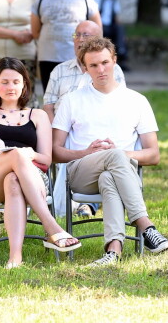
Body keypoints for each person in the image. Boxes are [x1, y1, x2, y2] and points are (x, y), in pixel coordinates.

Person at [52, 37, 168, 266]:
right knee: (116, 156)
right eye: (94, 65)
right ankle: (146, 227)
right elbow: (55, 152)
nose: (101, 69)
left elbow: (153, 155)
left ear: (115, 61)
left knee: (111, 173)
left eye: (105, 62)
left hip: (118, 174)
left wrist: (120, 155)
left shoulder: (137, 101)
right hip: (81, 173)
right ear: (85, 69)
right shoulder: (71, 101)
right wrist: (87, 152)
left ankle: (113, 251)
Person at [0, 57, 81, 268]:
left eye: (16, 82)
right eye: (5, 82)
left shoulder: (38, 116)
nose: (10, 87)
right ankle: (52, 227)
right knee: (15, 157)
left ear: (25, 85)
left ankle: (15, 258)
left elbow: (46, 159)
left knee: (14, 180)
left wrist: (29, 154)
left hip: (33, 178)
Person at [42, 20, 126, 218]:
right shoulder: (59, 71)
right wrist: (57, 133)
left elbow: (117, 105)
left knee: (100, 150)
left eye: (86, 35)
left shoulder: (113, 71)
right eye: (77, 35)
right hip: (61, 133)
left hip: (95, 132)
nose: (80, 39)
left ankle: (87, 205)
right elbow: (48, 106)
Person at [31, 0, 101, 92]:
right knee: (51, 97)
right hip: (48, 58)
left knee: (75, 96)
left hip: (76, 58)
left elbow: (97, 30)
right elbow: (35, 32)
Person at [93, 0, 129, 71]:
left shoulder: (115, 0)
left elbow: (117, 17)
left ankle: (121, 50)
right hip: (100, 24)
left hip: (110, 25)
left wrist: (122, 34)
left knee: (120, 29)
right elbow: (94, 13)